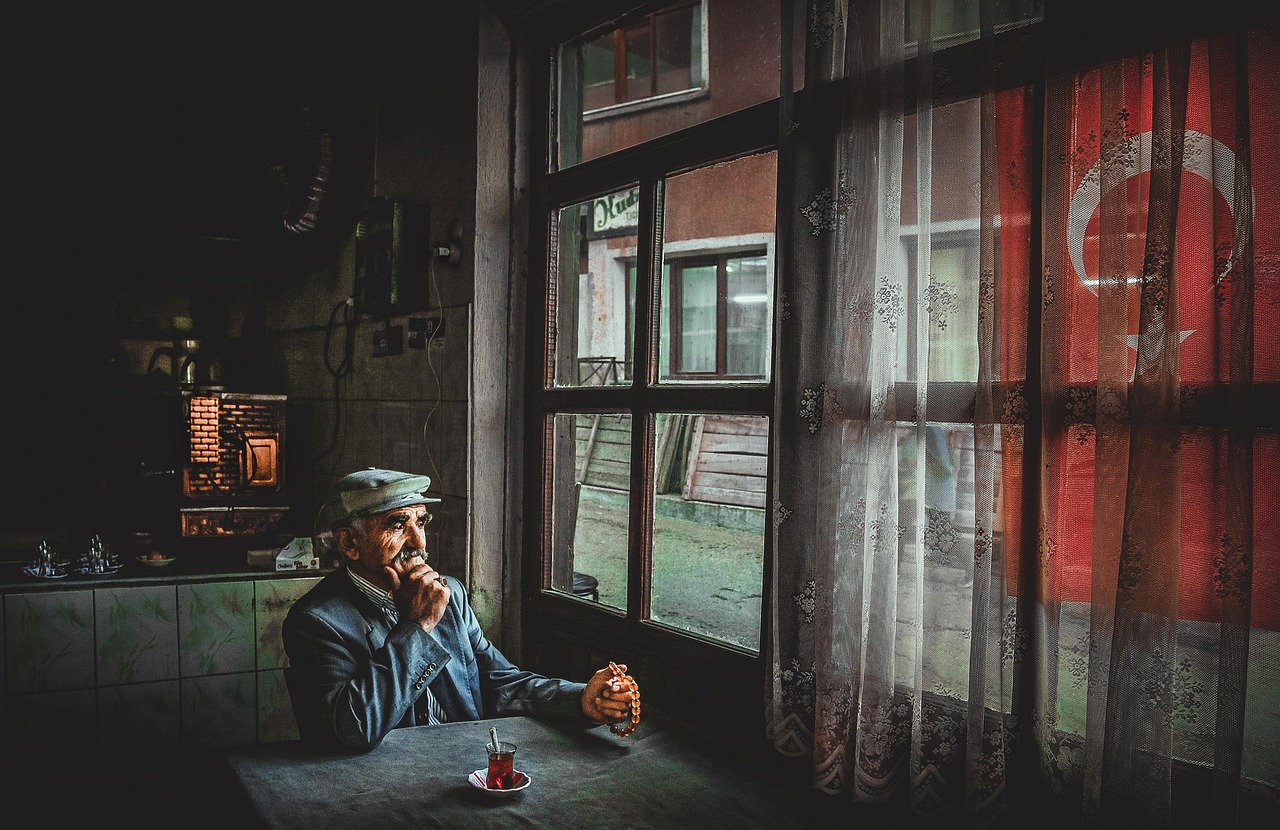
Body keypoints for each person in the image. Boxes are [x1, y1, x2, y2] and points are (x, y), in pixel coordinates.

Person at [282, 467, 637, 753]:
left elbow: (499, 682)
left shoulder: (449, 594)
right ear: (349, 543)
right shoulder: (317, 622)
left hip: (464, 765)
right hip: (384, 786)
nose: (419, 543)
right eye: (396, 524)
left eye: (420, 522)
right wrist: (416, 626)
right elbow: (351, 729)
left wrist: (580, 699)